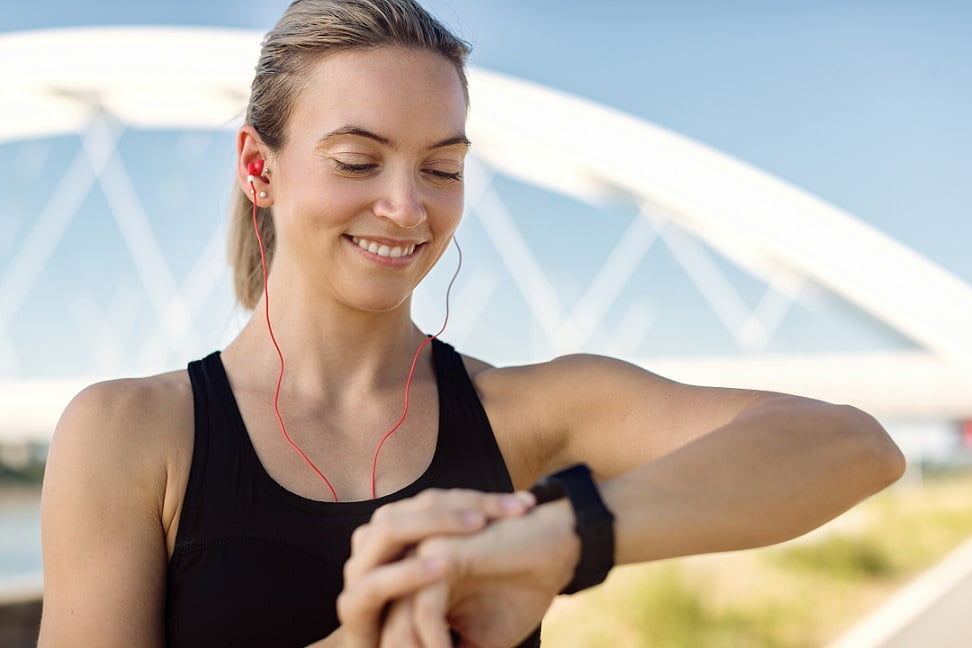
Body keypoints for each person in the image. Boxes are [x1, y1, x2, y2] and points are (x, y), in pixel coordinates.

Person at [37, 1, 906, 646]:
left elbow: (854, 446)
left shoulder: (528, 412)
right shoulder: (128, 434)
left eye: (442, 168)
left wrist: (557, 540)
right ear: (259, 169)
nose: (406, 207)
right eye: (357, 160)